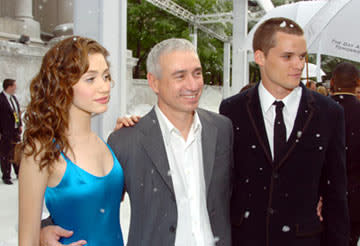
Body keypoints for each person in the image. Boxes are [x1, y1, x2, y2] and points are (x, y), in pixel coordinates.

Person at [220, 17, 349, 246]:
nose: (298, 65)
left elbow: (336, 194)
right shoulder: (232, 110)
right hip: (246, 239)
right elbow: (221, 183)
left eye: (301, 56)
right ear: (260, 57)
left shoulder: (329, 113)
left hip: (304, 240)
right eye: (287, 57)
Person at [18, 36, 124, 246]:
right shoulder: (41, 150)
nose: (104, 87)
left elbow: (103, 202)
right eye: (91, 79)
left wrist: (133, 133)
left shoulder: (106, 143)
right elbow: (26, 241)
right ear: (62, 84)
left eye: (106, 76)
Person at [330, 62, 360, 246]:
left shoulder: (316, 109)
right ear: (357, 82)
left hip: (320, 198)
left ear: (332, 82)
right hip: (355, 198)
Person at [0, 78, 22, 185]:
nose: (16, 88)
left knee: (16, 152)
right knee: (6, 153)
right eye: (14, 86)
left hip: (15, 130)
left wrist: (20, 125)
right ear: (9, 87)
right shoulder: (1, 99)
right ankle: (6, 176)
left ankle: (18, 172)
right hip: (5, 131)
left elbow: (17, 112)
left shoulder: (13, 98)